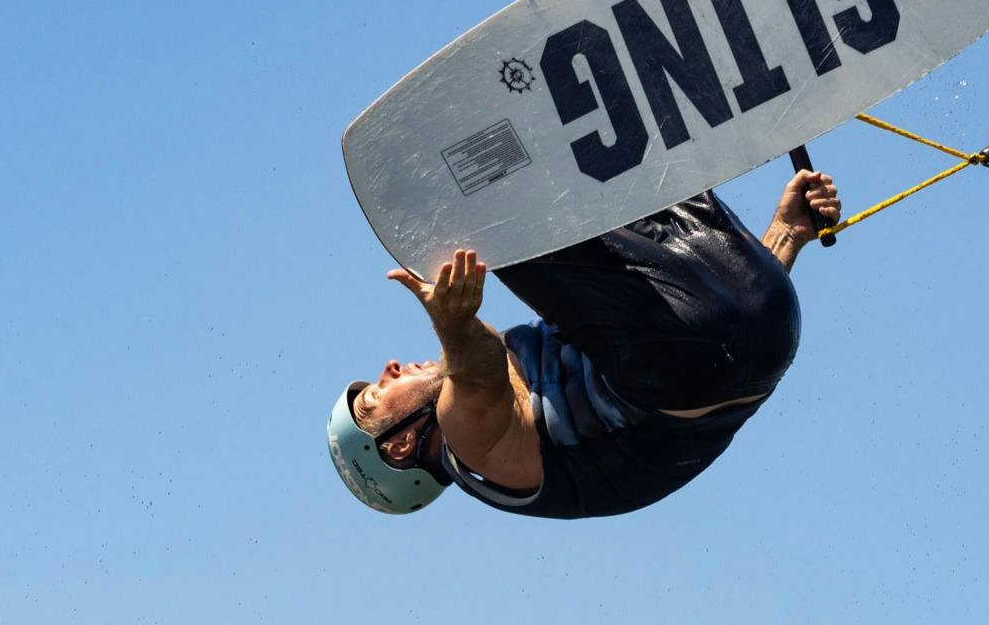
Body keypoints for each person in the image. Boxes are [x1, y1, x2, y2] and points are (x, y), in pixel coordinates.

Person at [326, 169, 840, 519]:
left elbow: (732, 343)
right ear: (398, 446)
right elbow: (478, 371)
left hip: (769, 321)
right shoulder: (472, 452)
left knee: (628, 176)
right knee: (490, 219)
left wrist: (785, 237)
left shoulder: (518, 421)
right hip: (681, 352)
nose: (388, 368)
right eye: (375, 396)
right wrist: (454, 323)